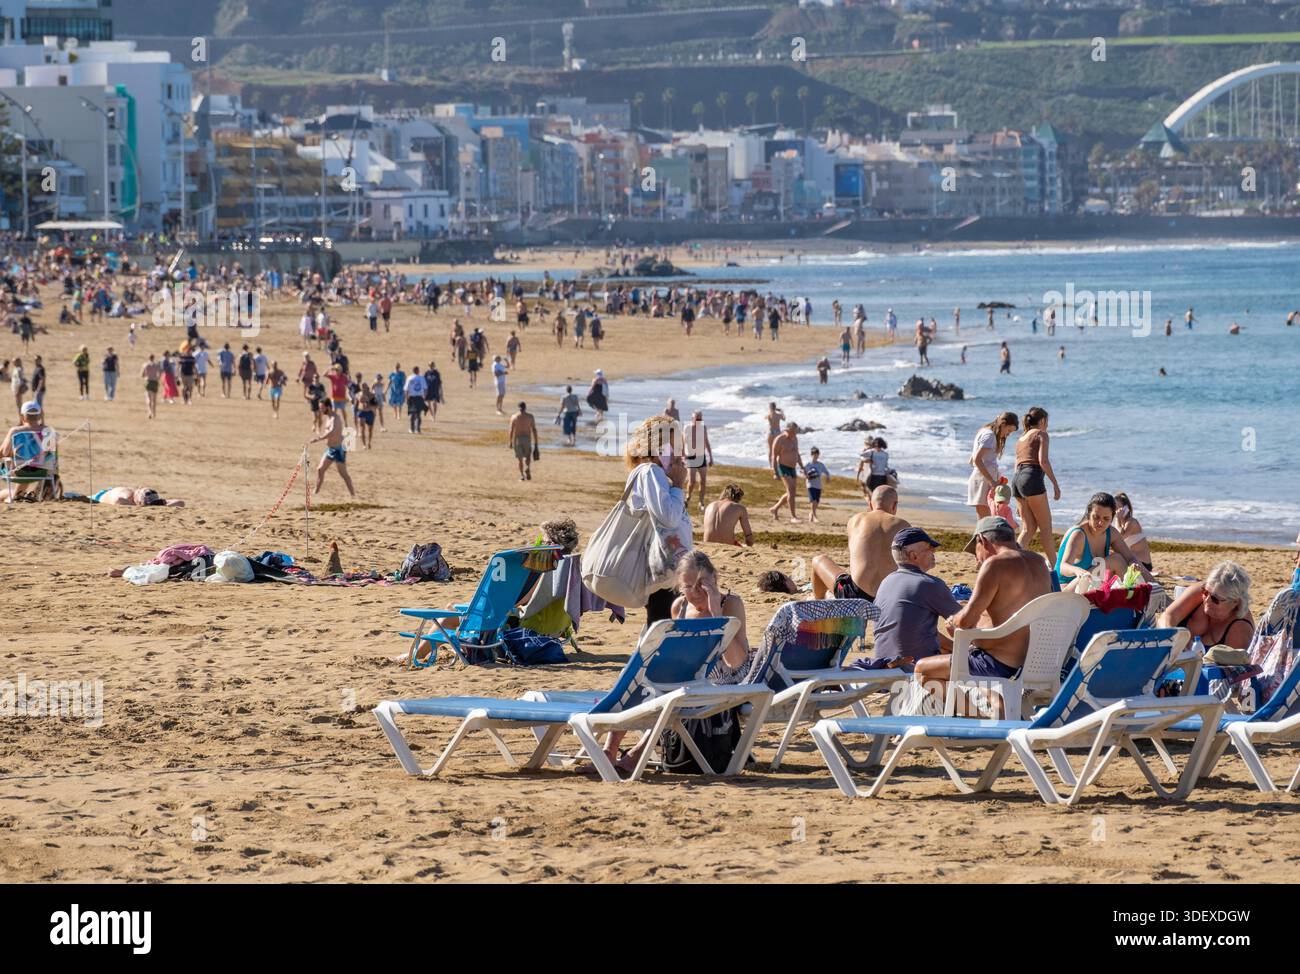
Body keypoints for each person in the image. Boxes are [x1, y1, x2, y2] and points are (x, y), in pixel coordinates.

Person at [911, 516, 1055, 710]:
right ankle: (997, 706)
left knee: (922, 670)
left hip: (1000, 664)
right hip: (1036, 660)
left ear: (982, 540)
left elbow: (966, 621)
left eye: (976, 553)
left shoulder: (995, 564)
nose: (977, 560)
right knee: (961, 653)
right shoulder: (1039, 562)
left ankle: (983, 717)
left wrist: (954, 619)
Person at [625, 414, 693, 625]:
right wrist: (679, 486)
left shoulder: (656, 474)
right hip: (660, 566)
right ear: (657, 447)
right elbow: (669, 518)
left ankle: (646, 656)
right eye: (673, 447)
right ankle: (646, 657)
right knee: (661, 621)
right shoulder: (650, 472)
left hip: (666, 565)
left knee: (661, 620)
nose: (677, 454)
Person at [870, 527, 960, 664]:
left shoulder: (886, 582)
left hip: (882, 664)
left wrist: (952, 646)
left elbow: (910, 629)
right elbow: (967, 621)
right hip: (914, 668)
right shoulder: (929, 584)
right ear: (914, 556)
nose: (933, 552)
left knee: (948, 648)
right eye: (929, 548)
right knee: (975, 658)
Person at [811, 484, 910, 601]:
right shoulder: (904, 526)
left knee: (818, 560)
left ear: (870, 504)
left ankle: (818, 600)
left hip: (854, 596)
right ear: (894, 505)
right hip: (888, 597)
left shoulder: (856, 520)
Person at [1054, 492, 1155, 586]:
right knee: (1116, 560)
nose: (1100, 523)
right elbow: (1063, 567)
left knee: (1120, 559)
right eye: (1096, 517)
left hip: (1092, 585)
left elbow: (1130, 558)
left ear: (1112, 518)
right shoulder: (1078, 534)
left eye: (1106, 519)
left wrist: (1134, 565)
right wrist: (1078, 571)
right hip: (1067, 587)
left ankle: (1154, 591)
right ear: (1088, 514)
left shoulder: (1111, 533)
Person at [1158, 562, 1255, 650]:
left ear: (1235, 602)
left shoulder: (1240, 629)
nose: (1207, 600)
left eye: (1215, 598)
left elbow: (1230, 667)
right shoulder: (1199, 592)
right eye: (1205, 592)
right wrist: (1173, 637)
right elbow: (1167, 616)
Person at [1012, 406, 1061, 565]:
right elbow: (1043, 461)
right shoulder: (1041, 434)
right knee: (1046, 529)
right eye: (1047, 421)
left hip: (1017, 480)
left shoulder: (1021, 438)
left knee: (1028, 528)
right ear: (1042, 421)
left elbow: (1017, 464)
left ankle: (1013, 561)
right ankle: (1056, 568)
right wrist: (1055, 483)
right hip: (1031, 478)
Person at [967, 411, 1019, 520]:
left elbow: (972, 459)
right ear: (1003, 424)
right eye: (1009, 430)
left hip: (982, 478)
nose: (1008, 434)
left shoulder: (985, 431)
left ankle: (982, 537)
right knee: (985, 519)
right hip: (983, 479)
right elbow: (977, 460)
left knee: (984, 519)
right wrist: (991, 480)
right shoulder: (990, 435)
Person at [0, 401, 55, 499]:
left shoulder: (15, 431)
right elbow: (52, 455)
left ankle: (13, 496)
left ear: (22, 417)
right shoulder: (48, 431)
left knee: (18, 464)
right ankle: (18, 494)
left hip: (19, 472)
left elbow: (4, 453)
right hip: (41, 472)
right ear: (39, 416)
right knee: (28, 464)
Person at [310, 400, 356, 497]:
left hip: (339, 450)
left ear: (328, 407)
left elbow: (332, 432)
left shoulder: (336, 418)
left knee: (343, 474)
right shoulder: (329, 418)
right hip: (331, 449)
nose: (320, 410)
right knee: (320, 469)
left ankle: (353, 494)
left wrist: (319, 438)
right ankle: (316, 492)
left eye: (322, 407)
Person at [769, 421, 804, 522]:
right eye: (793, 431)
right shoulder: (780, 439)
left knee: (791, 492)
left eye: (796, 431)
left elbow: (797, 453)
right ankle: (793, 517)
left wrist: (802, 466)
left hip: (792, 468)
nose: (795, 433)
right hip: (783, 467)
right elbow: (774, 456)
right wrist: (775, 472)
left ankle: (775, 509)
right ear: (787, 429)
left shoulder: (795, 439)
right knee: (791, 490)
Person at [1113, 491, 1153, 571]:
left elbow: (1119, 537)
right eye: (1114, 508)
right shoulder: (1120, 523)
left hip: (1143, 564)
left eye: (1118, 507)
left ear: (1126, 508)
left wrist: (1117, 519)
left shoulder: (1132, 522)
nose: (1116, 511)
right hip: (1132, 561)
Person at [683, 410, 712, 512]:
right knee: (692, 482)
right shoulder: (687, 428)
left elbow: (706, 441)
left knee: (703, 481)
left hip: (701, 456)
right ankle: (688, 498)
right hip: (690, 456)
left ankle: (701, 502)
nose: (699, 420)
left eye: (701, 418)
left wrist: (711, 456)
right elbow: (683, 442)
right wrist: (682, 456)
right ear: (693, 418)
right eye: (697, 418)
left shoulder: (703, 427)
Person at [508, 402, 539, 481]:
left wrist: (510, 442)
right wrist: (536, 443)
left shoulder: (514, 417)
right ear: (525, 408)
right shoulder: (530, 417)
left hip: (517, 439)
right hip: (527, 439)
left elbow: (511, 430)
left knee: (520, 459)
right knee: (528, 456)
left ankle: (522, 475)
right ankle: (527, 467)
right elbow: (534, 430)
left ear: (518, 408)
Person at [803, 447, 831, 523]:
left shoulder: (820, 465)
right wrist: (806, 476)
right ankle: (815, 516)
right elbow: (803, 471)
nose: (815, 456)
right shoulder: (808, 464)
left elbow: (826, 472)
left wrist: (828, 477)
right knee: (813, 500)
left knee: (817, 501)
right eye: (814, 455)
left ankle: (811, 514)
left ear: (818, 455)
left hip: (818, 485)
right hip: (810, 485)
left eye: (817, 455)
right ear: (811, 455)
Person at [404, 366, 427, 433]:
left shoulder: (410, 378)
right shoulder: (422, 378)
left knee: (412, 414)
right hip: (420, 397)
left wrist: (406, 398)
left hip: (412, 398)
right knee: (418, 414)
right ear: (418, 371)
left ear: (413, 371)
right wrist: (424, 397)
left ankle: (412, 429)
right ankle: (418, 429)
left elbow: (406, 389)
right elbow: (425, 389)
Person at [140, 355, 160, 420]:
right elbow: (159, 374)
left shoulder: (145, 365)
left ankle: (149, 412)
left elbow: (142, 375)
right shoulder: (156, 365)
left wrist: (145, 376)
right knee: (154, 399)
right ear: (154, 358)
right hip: (155, 381)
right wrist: (157, 378)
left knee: (148, 398)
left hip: (148, 381)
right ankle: (154, 413)